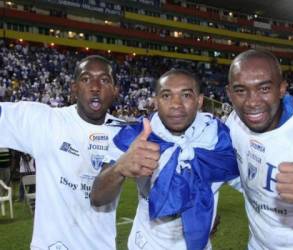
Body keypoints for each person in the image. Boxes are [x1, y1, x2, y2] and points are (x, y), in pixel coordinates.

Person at [91, 69, 239, 250]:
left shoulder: (218, 136)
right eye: (166, 95)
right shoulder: (136, 134)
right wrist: (120, 168)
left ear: (199, 101)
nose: (176, 104)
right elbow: (97, 197)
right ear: (155, 101)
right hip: (145, 244)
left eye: (186, 95)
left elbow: (247, 181)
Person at [0, 55, 121, 250]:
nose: (95, 86)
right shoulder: (43, 121)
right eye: (86, 79)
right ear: (74, 88)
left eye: (105, 80)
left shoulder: (125, 134)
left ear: (115, 91)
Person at [226, 49, 293, 250]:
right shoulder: (234, 124)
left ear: (282, 88)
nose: (252, 102)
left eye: (264, 88)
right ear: (229, 93)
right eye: (241, 90)